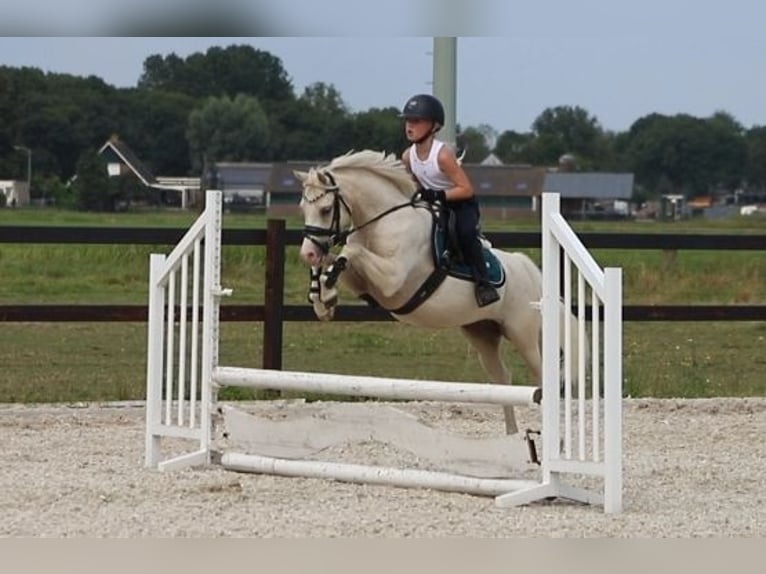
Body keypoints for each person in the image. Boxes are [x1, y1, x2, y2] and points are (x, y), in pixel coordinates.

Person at [399, 93, 500, 307]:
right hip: (433, 204)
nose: (409, 126)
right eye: (408, 121)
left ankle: (484, 284)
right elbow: (416, 182)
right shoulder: (408, 156)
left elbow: (466, 189)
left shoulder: (443, 155)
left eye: (416, 121)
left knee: (465, 233)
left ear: (434, 126)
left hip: (459, 204)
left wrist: (438, 195)